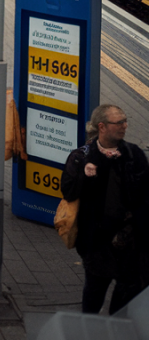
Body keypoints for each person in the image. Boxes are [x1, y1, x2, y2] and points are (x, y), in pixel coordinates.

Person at [62, 104, 149, 315]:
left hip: (129, 242)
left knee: (128, 292)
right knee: (94, 293)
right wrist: (84, 174)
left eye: (125, 121)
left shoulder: (133, 154)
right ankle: (89, 329)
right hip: (97, 242)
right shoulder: (81, 157)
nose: (124, 126)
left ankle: (115, 328)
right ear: (102, 126)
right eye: (119, 122)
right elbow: (68, 192)